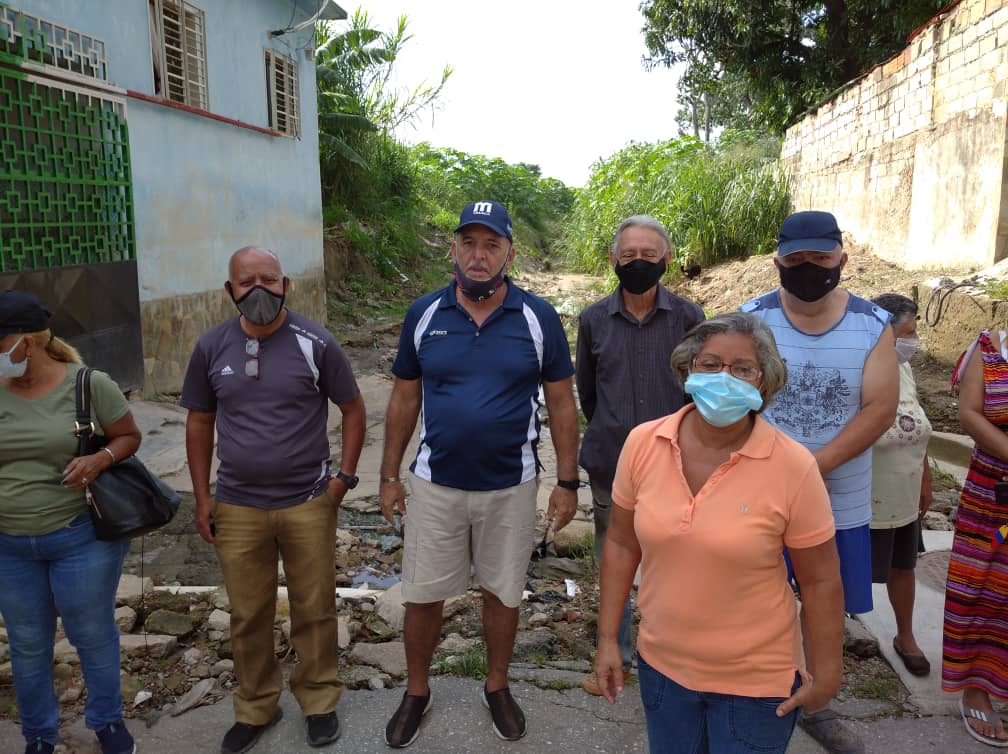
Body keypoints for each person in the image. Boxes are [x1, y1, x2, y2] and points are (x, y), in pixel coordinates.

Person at [594, 312, 844, 754]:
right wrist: (608, 640)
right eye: (710, 364)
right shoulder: (642, 444)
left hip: (756, 685)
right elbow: (619, 542)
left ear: (763, 382)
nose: (724, 377)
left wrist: (827, 673)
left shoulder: (793, 466)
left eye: (742, 368)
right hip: (663, 672)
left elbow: (820, 579)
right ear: (688, 369)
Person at [379, 200, 580, 748]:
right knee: (422, 594)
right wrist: (389, 475)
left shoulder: (538, 318)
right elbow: (403, 398)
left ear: (509, 253)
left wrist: (566, 484)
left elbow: (562, 405)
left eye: (491, 245)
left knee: (503, 593)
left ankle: (497, 685)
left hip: (510, 487)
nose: (478, 254)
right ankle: (416, 691)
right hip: (435, 484)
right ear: (453, 250)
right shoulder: (425, 313)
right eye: (469, 243)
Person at [181, 247, 366, 754]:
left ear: (285, 284)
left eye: (268, 279)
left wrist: (342, 481)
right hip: (237, 506)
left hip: (308, 501)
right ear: (230, 291)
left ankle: (320, 699)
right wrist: (203, 497)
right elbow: (199, 421)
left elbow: (352, 408)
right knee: (248, 613)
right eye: (247, 281)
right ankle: (257, 705)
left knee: (315, 606)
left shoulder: (315, 342)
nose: (258, 289)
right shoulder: (211, 347)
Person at [740, 210, 898, 754]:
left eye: (820, 258)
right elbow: (736, 399)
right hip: (758, 493)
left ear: (842, 260)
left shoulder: (873, 326)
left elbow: (879, 408)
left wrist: (814, 464)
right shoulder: (750, 321)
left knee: (822, 599)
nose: (809, 268)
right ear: (778, 261)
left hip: (840, 498)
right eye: (797, 259)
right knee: (756, 591)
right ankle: (754, 686)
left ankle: (815, 699)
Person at [0, 290, 141, 754]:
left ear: (29, 343)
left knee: (92, 634)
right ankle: (39, 735)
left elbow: (128, 436)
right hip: (9, 543)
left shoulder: (87, 384)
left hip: (78, 536)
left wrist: (100, 458)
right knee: (26, 644)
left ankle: (107, 724)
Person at [575, 214, 704, 695]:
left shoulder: (690, 319)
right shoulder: (592, 320)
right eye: (628, 256)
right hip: (612, 462)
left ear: (666, 259)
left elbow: (702, 388)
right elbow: (588, 391)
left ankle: (670, 657)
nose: (638, 263)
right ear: (613, 260)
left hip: (677, 465)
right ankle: (617, 656)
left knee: (676, 559)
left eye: (649, 255)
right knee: (615, 558)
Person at [943, 327, 1008, 747]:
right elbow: (970, 413)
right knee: (983, 588)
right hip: (994, 498)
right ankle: (977, 685)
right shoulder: (989, 348)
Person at [868, 294, 932, 676]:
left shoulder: (904, 368)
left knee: (903, 567)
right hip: (865, 495)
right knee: (844, 573)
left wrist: (925, 478)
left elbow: (920, 422)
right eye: (908, 332)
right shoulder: (860, 368)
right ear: (883, 334)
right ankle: (826, 642)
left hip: (904, 492)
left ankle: (905, 635)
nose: (914, 339)